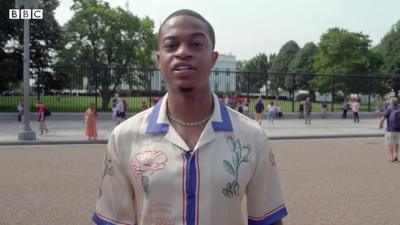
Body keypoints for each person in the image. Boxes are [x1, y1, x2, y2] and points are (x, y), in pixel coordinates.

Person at [92, 9, 287, 225]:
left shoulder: (252, 137)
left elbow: (267, 219)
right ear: (159, 59)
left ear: (213, 59)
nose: (183, 52)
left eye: (196, 44)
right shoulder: (124, 138)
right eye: (171, 45)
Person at [379, 97, 400, 162]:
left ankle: (392, 157)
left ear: (391, 103)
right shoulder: (399, 109)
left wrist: (380, 125)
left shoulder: (389, 109)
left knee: (390, 143)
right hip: (398, 130)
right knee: (396, 143)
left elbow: (382, 119)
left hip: (390, 129)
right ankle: (396, 155)